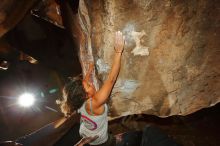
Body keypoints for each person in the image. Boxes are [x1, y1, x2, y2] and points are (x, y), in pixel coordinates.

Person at [59, 31, 125, 146]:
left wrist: (89, 68)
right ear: (86, 96)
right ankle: (113, 140)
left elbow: (84, 81)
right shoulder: (96, 102)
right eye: (89, 86)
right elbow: (111, 79)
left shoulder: (77, 102)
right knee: (110, 141)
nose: (91, 84)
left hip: (85, 131)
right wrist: (118, 51)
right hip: (99, 140)